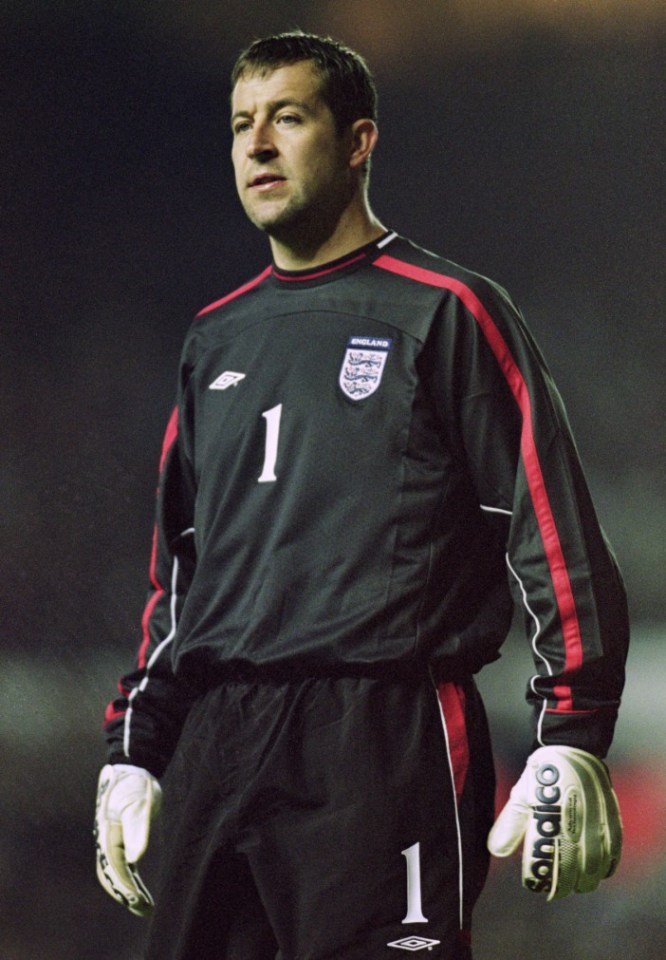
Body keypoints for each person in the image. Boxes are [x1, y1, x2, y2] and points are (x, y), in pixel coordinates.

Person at [94, 31, 629, 960]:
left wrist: (571, 730)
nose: (257, 145)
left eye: (288, 118)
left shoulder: (446, 309)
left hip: (384, 738)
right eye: (241, 125)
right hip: (223, 742)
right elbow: (177, 578)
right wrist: (135, 752)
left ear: (357, 142)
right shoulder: (213, 341)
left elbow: (551, 525)